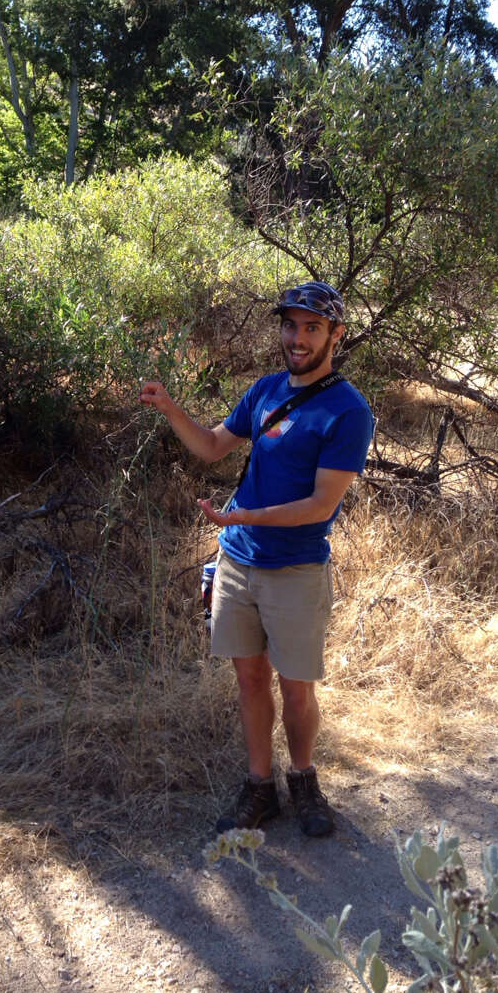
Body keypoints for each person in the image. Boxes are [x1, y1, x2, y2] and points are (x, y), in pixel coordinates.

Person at [139, 281, 373, 838]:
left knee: (296, 686)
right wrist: (172, 409)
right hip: (238, 563)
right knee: (249, 680)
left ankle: (305, 780)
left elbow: (320, 505)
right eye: (290, 325)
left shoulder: (348, 411)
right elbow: (213, 446)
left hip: (294, 568)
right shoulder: (265, 391)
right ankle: (259, 787)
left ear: (335, 335)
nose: (297, 338)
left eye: (312, 327)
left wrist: (242, 518)